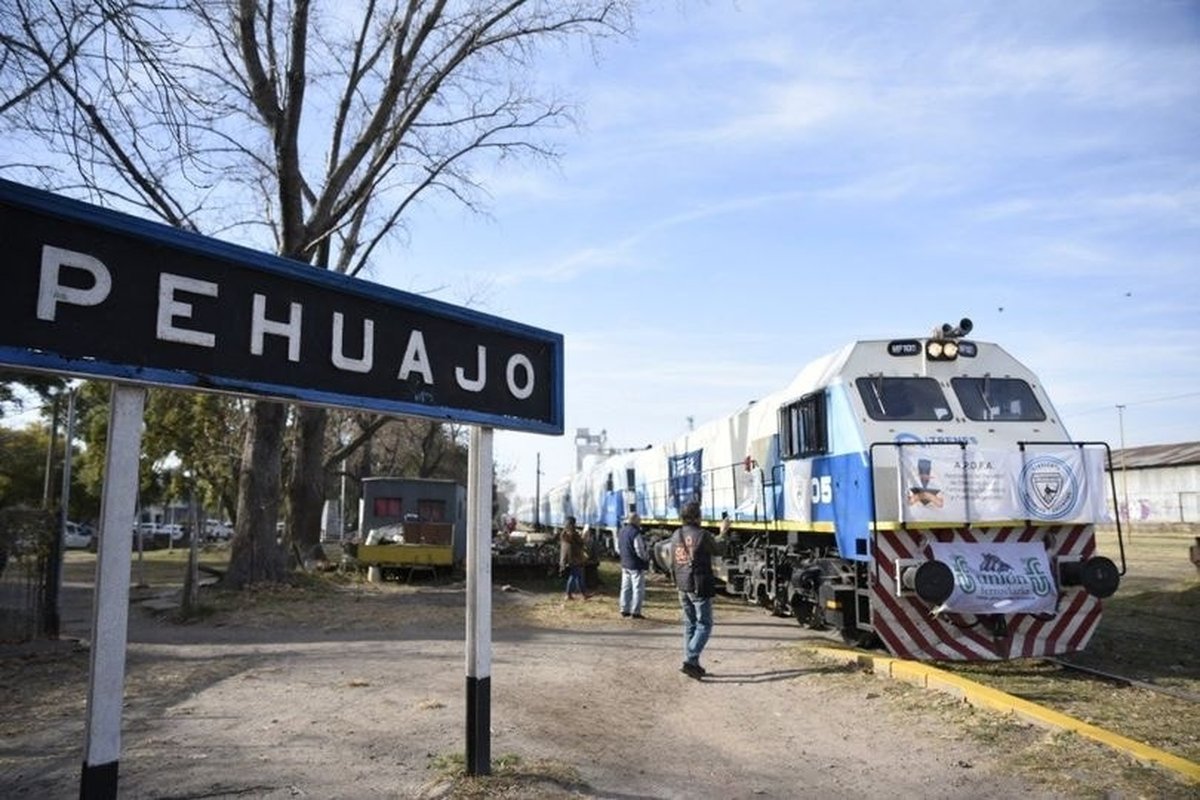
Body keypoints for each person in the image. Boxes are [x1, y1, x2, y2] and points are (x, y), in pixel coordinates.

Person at [669, 501, 727, 679]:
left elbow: (672, 562)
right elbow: (719, 549)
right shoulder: (702, 535)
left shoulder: (676, 535)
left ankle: (693, 664)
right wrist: (723, 531)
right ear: (696, 517)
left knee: (690, 624)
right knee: (705, 624)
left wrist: (676, 582)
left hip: (683, 584)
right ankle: (690, 658)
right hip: (698, 584)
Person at [616, 512, 648, 618]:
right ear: (634, 520)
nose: (640, 522)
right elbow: (639, 549)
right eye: (639, 520)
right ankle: (636, 611)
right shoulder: (635, 533)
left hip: (625, 564)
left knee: (625, 587)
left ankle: (624, 609)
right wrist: (645, 558)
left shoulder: (622, 531)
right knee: (637, 588)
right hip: (635, 565)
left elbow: (618, 547)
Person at [559, 516, 588, 600]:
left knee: (579, 576)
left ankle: (583, 594)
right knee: (575, 576)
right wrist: (584, 535)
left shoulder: (564, 533)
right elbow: (581, 543)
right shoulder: (573, 534)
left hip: (567, 558)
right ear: (572, 524)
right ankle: (568, 594)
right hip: (575, 558)